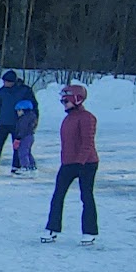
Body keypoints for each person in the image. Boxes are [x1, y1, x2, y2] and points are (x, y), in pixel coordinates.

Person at [42, 83, 100, 244]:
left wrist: (80, 162)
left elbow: (87, 142)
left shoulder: (87, 118)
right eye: (62, 101)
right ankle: (52, 228)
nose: (63, 104)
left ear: (77, 100)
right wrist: (67, 161)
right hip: (68, 163)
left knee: (86, 196)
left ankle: (89, 232)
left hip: (86, 164)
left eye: (65, 101)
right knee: (58, 195)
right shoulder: (68, 119)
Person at [0, 69, 37, 172]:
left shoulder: (25, 90)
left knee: (17, 146)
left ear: (13, 81)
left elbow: (33, 106)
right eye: (4, 82)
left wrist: (34, 120)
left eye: (7, 82)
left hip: (19, 124)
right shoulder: (2, 91)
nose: (5, 84)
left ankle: (16, 166)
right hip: (3, 123)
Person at [12, 95, 40, 174]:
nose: (17, 112)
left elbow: (23, 129)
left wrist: (18, 137)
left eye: (19, 110)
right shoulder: (30, 117)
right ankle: (32, 166)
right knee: (27, 152)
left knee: (22, 152)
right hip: (29, 136)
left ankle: (25, 167)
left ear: (24, 110)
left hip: (25, 137)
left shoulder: (24, 119)